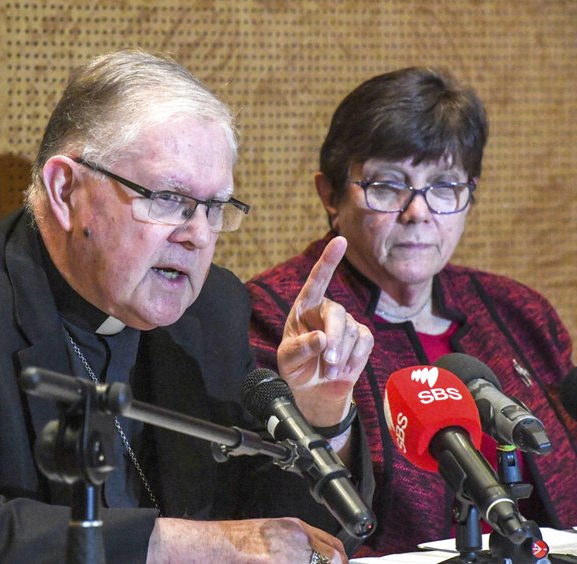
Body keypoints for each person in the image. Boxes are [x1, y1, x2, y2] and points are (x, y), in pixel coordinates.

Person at [0, 49, 375, 563]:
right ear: (64, 190)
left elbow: (288, 538)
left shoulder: (212, 309)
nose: (199, 235)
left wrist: (319, 413)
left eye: (215, 207)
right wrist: (181, 545)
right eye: (170, 200)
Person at [247, 66, 577, 556]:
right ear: (330, 195)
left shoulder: (519, 311)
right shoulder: (276, 317)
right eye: (387, 185)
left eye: (445, 186)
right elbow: (267, 510)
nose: (417, 211)